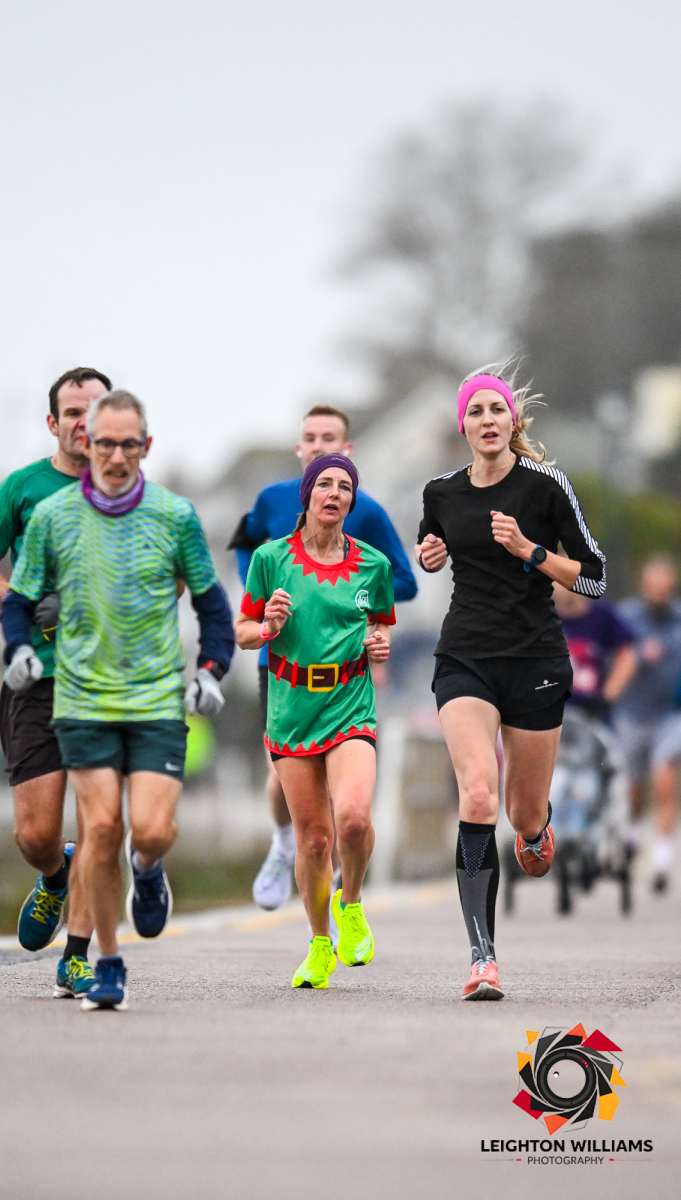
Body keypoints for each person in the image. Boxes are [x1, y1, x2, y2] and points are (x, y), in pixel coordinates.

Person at [0, 389, 234, 1011]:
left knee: (149, 830)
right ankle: (106, 961)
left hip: (156, 699)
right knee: (100, 827)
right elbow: (16, 601)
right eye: (105, 443)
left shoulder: (174, 516)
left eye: (129, 444)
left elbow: (212, 605)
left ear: (146, 447)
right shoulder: (52, 517)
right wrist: (19, 649)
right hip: (82, 699)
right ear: (86, 443)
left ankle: (150, 869)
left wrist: (211, 670)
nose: (115, 455)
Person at [415, 367, 606, 1001]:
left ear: (513, 422)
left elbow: (595, 578)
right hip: (466, 656)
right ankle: (482, 958)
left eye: (498, 410)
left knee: (522, 812)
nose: (489, 420)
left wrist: (530, 550)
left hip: (534, 658)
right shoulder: (441, 491)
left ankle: (534, 827)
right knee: (476, 794)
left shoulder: (547, 486)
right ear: (464, 425)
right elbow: (432, 544)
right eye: (477, 412)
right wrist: (429, 555)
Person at [0, 366, 111, 998]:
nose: (86, 423)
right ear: (54, 424)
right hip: (35, 678)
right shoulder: (23, 488)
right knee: (36, 835)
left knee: (100, 819)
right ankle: (56, 873)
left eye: (98, 412)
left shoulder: (131, 492)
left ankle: (77, 955)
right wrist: (25, 602)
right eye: (73, 413)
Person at [229, 404, 416, 911]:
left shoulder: (370, 516)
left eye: (329, 438)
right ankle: (284, 843)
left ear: (347, 451)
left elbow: (401, 583)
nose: (318, 445)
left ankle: (344, 891)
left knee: (349, 812)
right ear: (299, 450)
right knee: (291, 794)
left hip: (346, 679)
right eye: (310, 437)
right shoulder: (269, 505)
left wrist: (355, 619)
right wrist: (274, 592)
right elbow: (243, 552)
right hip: (282, 666)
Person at [235, 454, 395, 989]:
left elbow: (380, 628)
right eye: (323, 483)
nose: (333, 493)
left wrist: (379, 644)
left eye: (344, 486)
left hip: (350, 701)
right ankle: (319, 944)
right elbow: (243, 631)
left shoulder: (373, 565)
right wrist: (268, 625)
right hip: (291, 708)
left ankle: (351, 907)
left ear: (352, 500)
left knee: (352, 818)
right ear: (306, 495)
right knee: (315, 841)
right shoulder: (270, 559)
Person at [614, 556, 681, 891]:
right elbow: (613, 656)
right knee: (635, 785)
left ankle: (663, 858)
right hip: (632, 713)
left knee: (665, 780)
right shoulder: (627, 617)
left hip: (669, 714)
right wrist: (640, 655)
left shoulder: (678, 620)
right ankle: (634, 833)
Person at [553, 582, 636, 720]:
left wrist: (606, 697)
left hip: (592, 714)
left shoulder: (601, 615)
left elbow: (627, 657)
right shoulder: (540, 618)